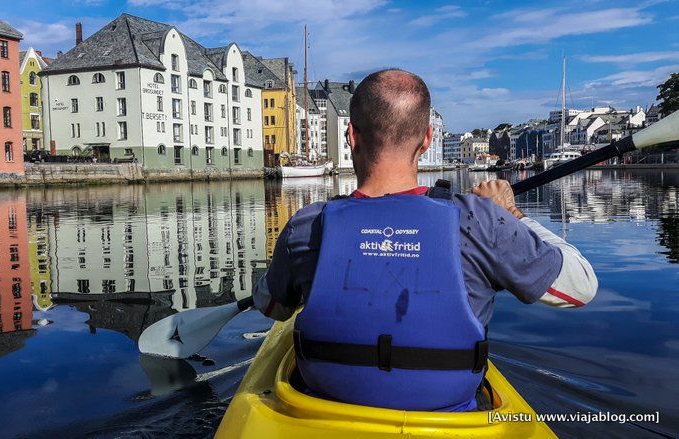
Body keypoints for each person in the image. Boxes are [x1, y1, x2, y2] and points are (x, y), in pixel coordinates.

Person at [253, 69, 597, 412]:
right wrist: (513, 215)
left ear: (351, 137)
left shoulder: (307, 225)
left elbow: (273, 307)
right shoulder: (482, 222)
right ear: (428, 139)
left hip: (324, 408)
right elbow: (580, 286)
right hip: (449, 416)